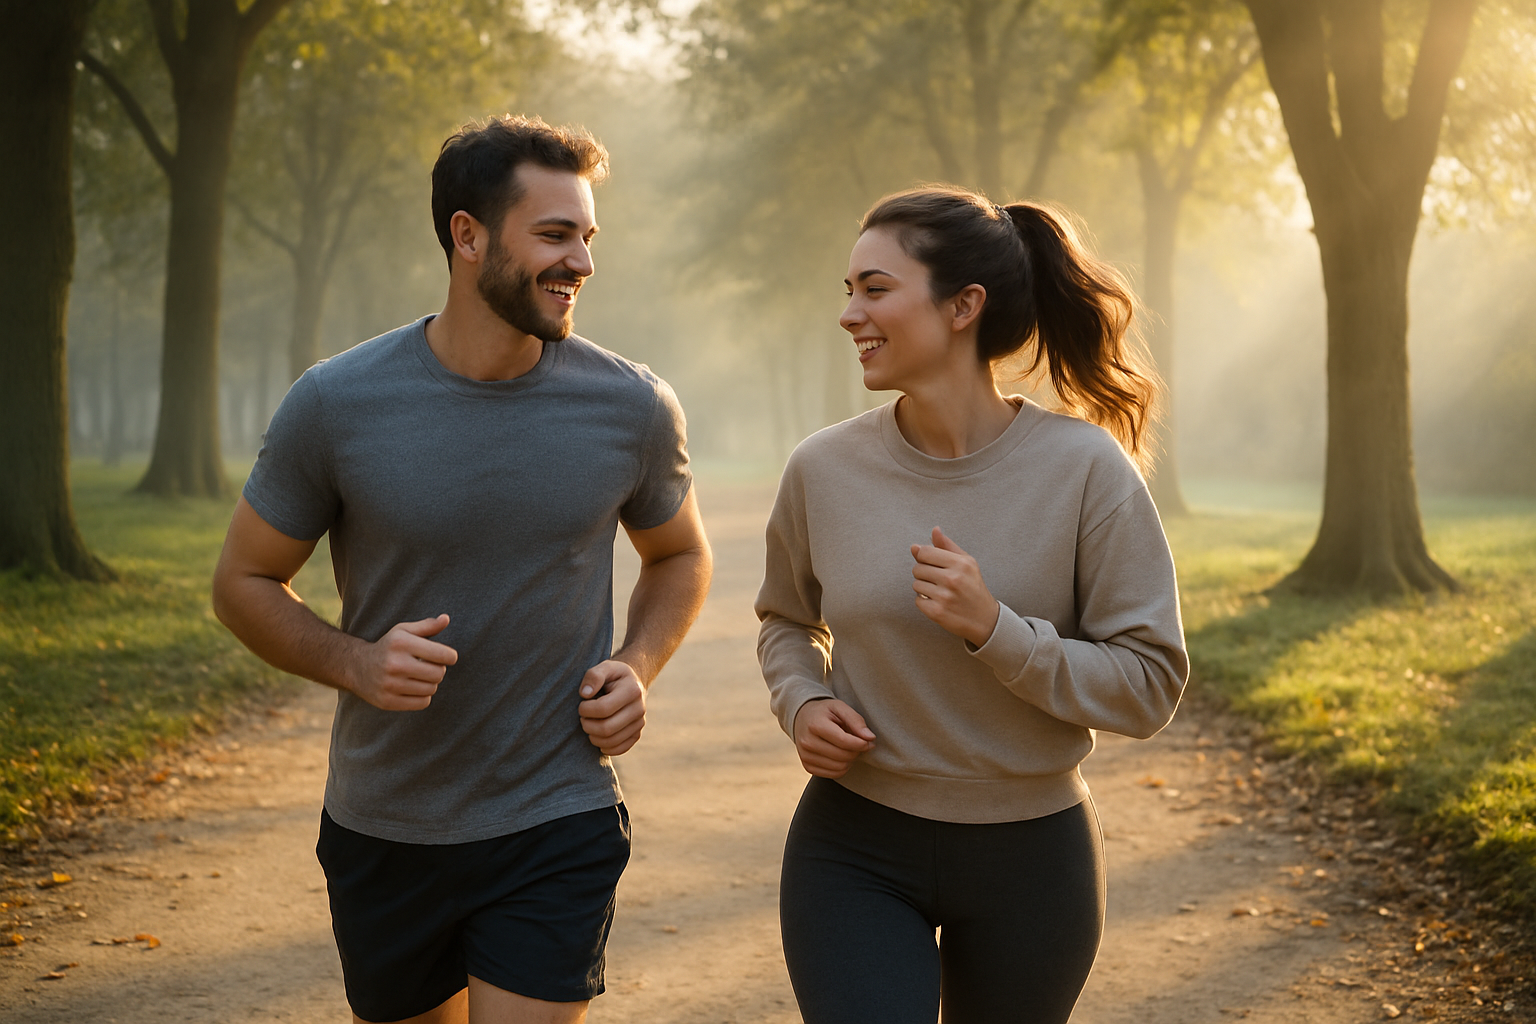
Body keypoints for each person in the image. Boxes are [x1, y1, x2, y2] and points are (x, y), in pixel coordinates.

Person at [211, 115, 712, 1024]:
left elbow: (679, 555)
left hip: (557, 812)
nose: (583, 263)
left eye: (588, 237)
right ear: (467, 235)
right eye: (555, 235)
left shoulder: (631, 405)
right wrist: (355, 663)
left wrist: (636, 666)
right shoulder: (336, 404)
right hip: (386, 823)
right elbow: (241, 583)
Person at [755, 186, 1189, 1024]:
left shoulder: (1086, 471)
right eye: (847, 291)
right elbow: (785, 620)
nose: (849, 314)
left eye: (874, 289)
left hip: (1034, 859)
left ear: (964, 306)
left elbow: (1149, 683)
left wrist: (997, 631)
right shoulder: (824, 469)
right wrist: (801, 699)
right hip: (854, 845)